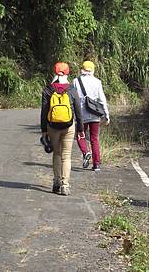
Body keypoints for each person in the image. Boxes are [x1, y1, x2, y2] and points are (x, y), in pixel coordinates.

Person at [40, 62, 84, 196]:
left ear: (54, 72)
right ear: (67, 73)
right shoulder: (72, 89)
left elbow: (44, 111)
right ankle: (65, 185)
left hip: (52, 126)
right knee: (67, 156)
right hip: (68, 126)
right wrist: (80, 129)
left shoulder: (48, 89)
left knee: (57, 154)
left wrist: (44, 130)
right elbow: (78, 110)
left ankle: (56, 181)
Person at [73, 61, 110, 172]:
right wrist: (106, 115)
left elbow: (73, 98)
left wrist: (73, 114)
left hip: (81, 114)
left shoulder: (76, 81)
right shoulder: (97, 82)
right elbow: (102, 99)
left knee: (80, 135)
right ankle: (96, 165)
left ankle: (85, 152)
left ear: (82, 69)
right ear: (93, 70)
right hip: (94, 113)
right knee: (94, 139)